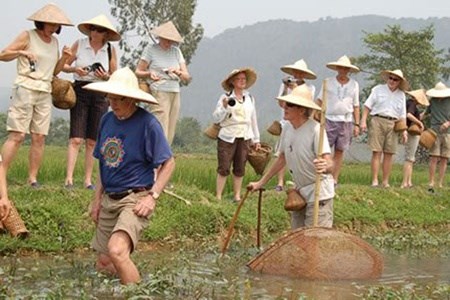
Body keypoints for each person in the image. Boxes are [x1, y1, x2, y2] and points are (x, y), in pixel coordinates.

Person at [84, 67, 175, 285]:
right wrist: (96, 200)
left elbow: (169, 163)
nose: (113, 103)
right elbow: (103, 164)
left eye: (119, 99)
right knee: (105, 263)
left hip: (134, 198)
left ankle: (138, 295)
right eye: (111, 98)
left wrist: (152, 197)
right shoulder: (106, 121)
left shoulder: (148, 124)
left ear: (132, 99)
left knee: (117, 251)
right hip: (109, 198)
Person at [0, 3, 73, 187]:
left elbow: (54, 70)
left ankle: (32, 178)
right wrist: (22, 52)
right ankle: (2, 174)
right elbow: (3, 54)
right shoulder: (28, 35)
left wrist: (64, 58)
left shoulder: (54, 42)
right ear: (42, 22)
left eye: (56, 25)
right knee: (17, 135)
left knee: (39, 136)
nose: (54, 28)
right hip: (26, 87)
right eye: (51, 24)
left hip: (45, 90)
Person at [248, 85, 334, 229]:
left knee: (315, 239)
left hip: (319, 193)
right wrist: (260, 183)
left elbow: (329, 162)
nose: (285, 107)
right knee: (298, 239)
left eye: (290, 105)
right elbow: (282, 158)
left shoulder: (316, 130)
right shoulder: (287, 128)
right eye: (286, 104)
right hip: (299, 192)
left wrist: (325, 166)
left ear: (301, 110)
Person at [62, 14, 120, 190]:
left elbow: (114, 75)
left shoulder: (110, 49)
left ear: (106, 34)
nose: (95, 32)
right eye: (93, 29)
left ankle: (88, 180)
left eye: (100, 30)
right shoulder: (79, 44)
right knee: (76, 138)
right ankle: (69, 179)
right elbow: (64, 65)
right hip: (81, 89)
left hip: (101, 92)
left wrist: (105, 76)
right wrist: (75, 69)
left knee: (92, 140)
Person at [135, 21, 191, 145]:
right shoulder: (151, 49)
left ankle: (165, 158)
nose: (168, 43)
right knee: (160, 126)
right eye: (165, 39)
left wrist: (177, 72)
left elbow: (187, 76)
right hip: (159, 90)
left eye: (170, 40)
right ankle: (156, 157)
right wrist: (149, 74)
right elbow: (138, 71)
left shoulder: (176, 52)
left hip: (175, 91)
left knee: (171, 128)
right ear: (159, 37)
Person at [213, 67, 261, 202]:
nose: (241, 81)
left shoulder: (249, 98)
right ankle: (218, 196)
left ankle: (237, 195)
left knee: (240, 166)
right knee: (224, 166)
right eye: (238, 79)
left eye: (243, 79)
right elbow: (216, 118)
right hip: (228, 135)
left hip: (245, 135)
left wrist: (256, 139)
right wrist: (224, 107)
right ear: (232, 82)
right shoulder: (225, 97)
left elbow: (253, 119)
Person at [316, 55, 360, 187]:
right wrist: (315, 114)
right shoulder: (328, 82)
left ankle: (334, 178)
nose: (343, 70)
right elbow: (319, 100)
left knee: (340, 150)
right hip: (329, 118)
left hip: (346, 120)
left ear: (348, 70)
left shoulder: (354, 85)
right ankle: (322, 175)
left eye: (345, 68)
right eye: (341, 67)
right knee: (324, 149)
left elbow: (356, 105)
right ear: (337, 68)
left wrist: (357, 124)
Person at [360, 69, 409, 188]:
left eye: (395, 79)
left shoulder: (401, 95)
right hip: (378, 120)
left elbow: (402, 114)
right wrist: (363, 121)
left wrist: (404, 131)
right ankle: (375, 180)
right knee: (376, 151)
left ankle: (385, 181)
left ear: (399, 82)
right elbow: (367, 106)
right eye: (390, 78)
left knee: (389, 153)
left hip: (394, 123)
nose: (392, 81)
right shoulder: (378, 89)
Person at [274, 59, 317, 191]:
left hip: (301, 122)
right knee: (282, 152)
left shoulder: (310, 88)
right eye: (295, 71)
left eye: (300, 72)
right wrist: (288, 89)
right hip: (287, 122)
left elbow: (307, 106)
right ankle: (280, 182)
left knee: (300, 152)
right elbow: (282, 103)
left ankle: (297, 181)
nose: (297, 74)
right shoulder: (286, 85)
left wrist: (296, 90)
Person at [400, 89, 429, 188]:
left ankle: (409, 182)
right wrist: (419, 123)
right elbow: (409, 115)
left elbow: (412, 115)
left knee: (411, 158)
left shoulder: (409, 103)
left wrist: (423, 117)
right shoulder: (411, 103)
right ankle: (404, 182)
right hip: (411, 133)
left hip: (410, 132)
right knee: (409, 158)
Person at [424, 82, 450, 192]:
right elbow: (425, 113)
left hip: (448, 133)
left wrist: (448, 123)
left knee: (444, 158)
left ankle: (440, 183)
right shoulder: (432, 101)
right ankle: (431, 181)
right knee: (434, 157)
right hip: (434, 132)